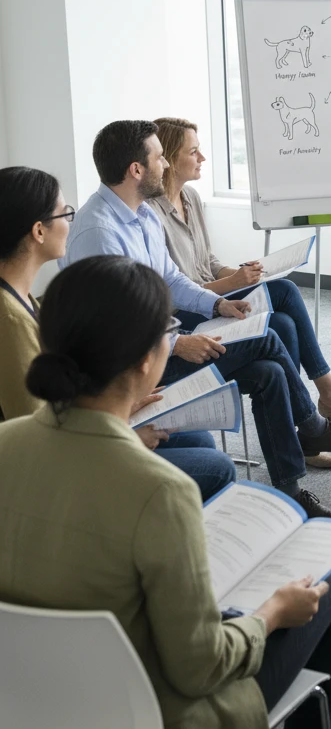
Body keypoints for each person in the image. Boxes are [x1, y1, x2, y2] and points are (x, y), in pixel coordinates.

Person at [0, 256, 331, 729]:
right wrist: (272, 613)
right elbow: (199, 667)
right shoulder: (158, 490)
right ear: (147, 360)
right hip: (156, 721)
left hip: (25, 705)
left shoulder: (6, 443)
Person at [61, 120, 331, 518]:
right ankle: (311, 426)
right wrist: (180, 343)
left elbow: (171, 279)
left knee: (269, 372)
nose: (163, 165)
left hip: (163, 344)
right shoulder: (99, 233)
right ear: (136, 170)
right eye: (159, 157)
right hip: (137, 372)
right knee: (265, 339)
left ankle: (289, 488)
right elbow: (113, 323)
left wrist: (216, 306)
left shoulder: (139, 215)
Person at [149, 116, 331, 471]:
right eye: (193, 152)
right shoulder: (151, 214)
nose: (202, 159)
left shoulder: (191, 198)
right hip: (189, 316)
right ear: (167, 157)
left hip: (215, 295)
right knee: (284, 308)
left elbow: (209, 263)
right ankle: (323, 405)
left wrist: (243, 274)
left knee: (284, 309)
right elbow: (175, 291)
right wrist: (231, 285)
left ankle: (309, 428)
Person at [0, 166, 234, 500]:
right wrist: (124, 434)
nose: (71, 223)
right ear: (39, 231)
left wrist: (119, 410)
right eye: (65, 214)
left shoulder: (25, 299)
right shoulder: (9, 319)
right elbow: (38, 435)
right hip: (61, 470)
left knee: (200, 440)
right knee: (216, 467)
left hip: (79, 431)